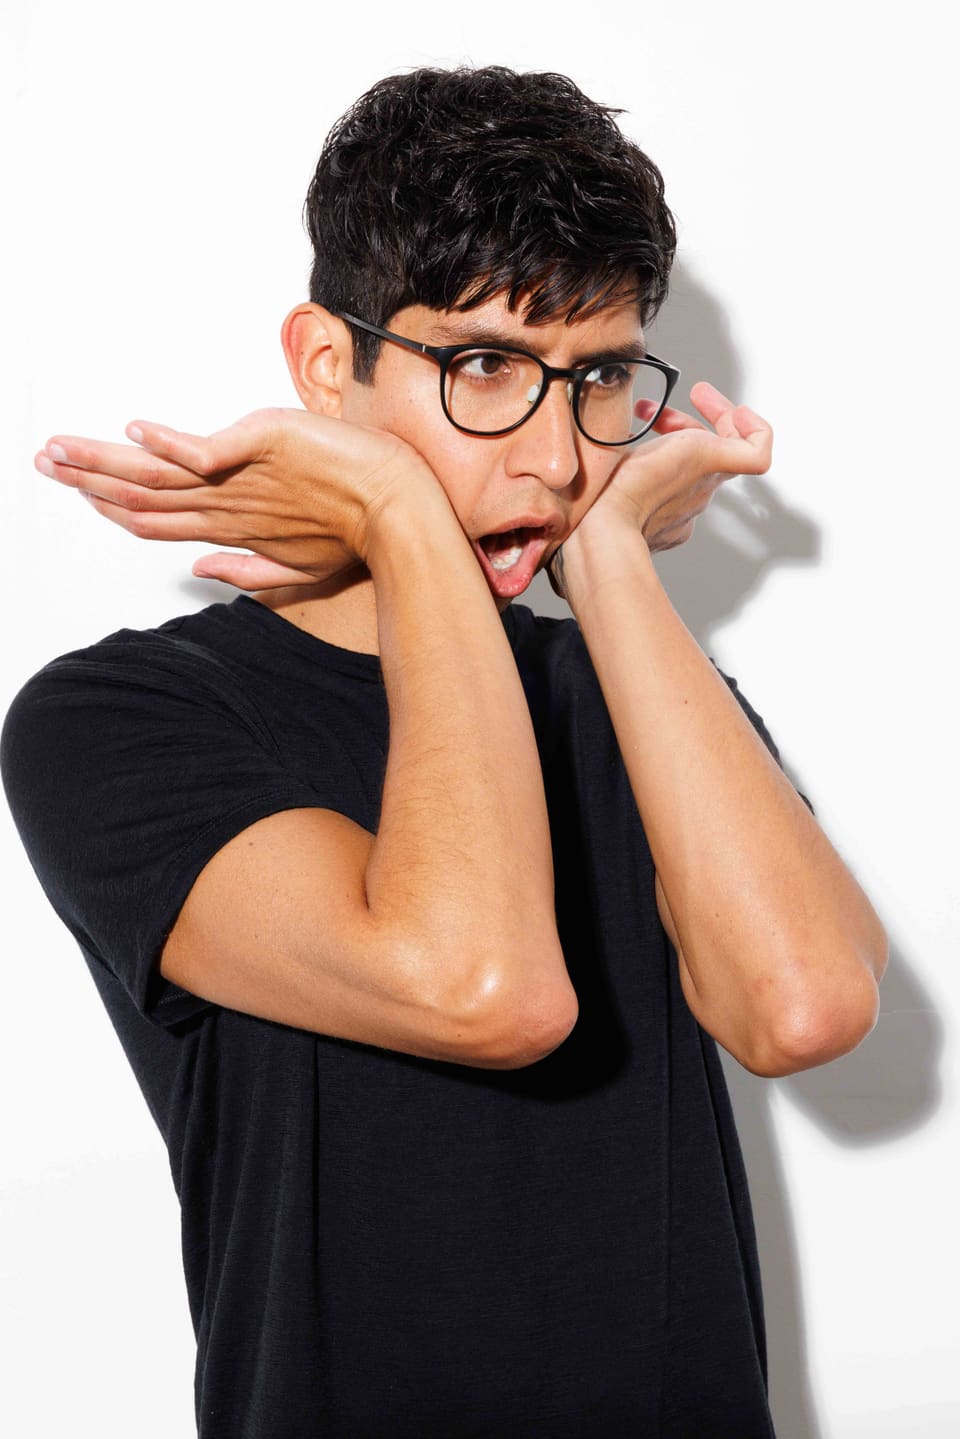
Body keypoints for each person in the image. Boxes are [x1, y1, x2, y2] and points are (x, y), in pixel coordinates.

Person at [1, 65, 886, 1438]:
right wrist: (398, 519)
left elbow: (802, 1009)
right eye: (485, 368)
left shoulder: (633, 689)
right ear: (323, 368)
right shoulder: (123, 718)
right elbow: (482, 985)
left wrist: (608, 568)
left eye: (596, 381)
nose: (548, 452)